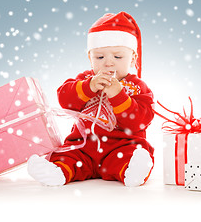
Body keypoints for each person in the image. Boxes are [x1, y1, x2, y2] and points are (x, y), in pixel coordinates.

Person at [27, 11, 155, 187]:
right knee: (67, 156)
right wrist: (90, 86)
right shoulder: (85, 79)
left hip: (120, 147)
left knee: (133, 153)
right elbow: (64, 99)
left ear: (133, 58)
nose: (108, 63)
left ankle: (132, 171)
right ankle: (57, 172)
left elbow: (140, 121)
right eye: (100, 57)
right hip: (83, 147)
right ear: (90, 58)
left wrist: (118, 95)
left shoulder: (138, 87)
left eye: (117, 57)